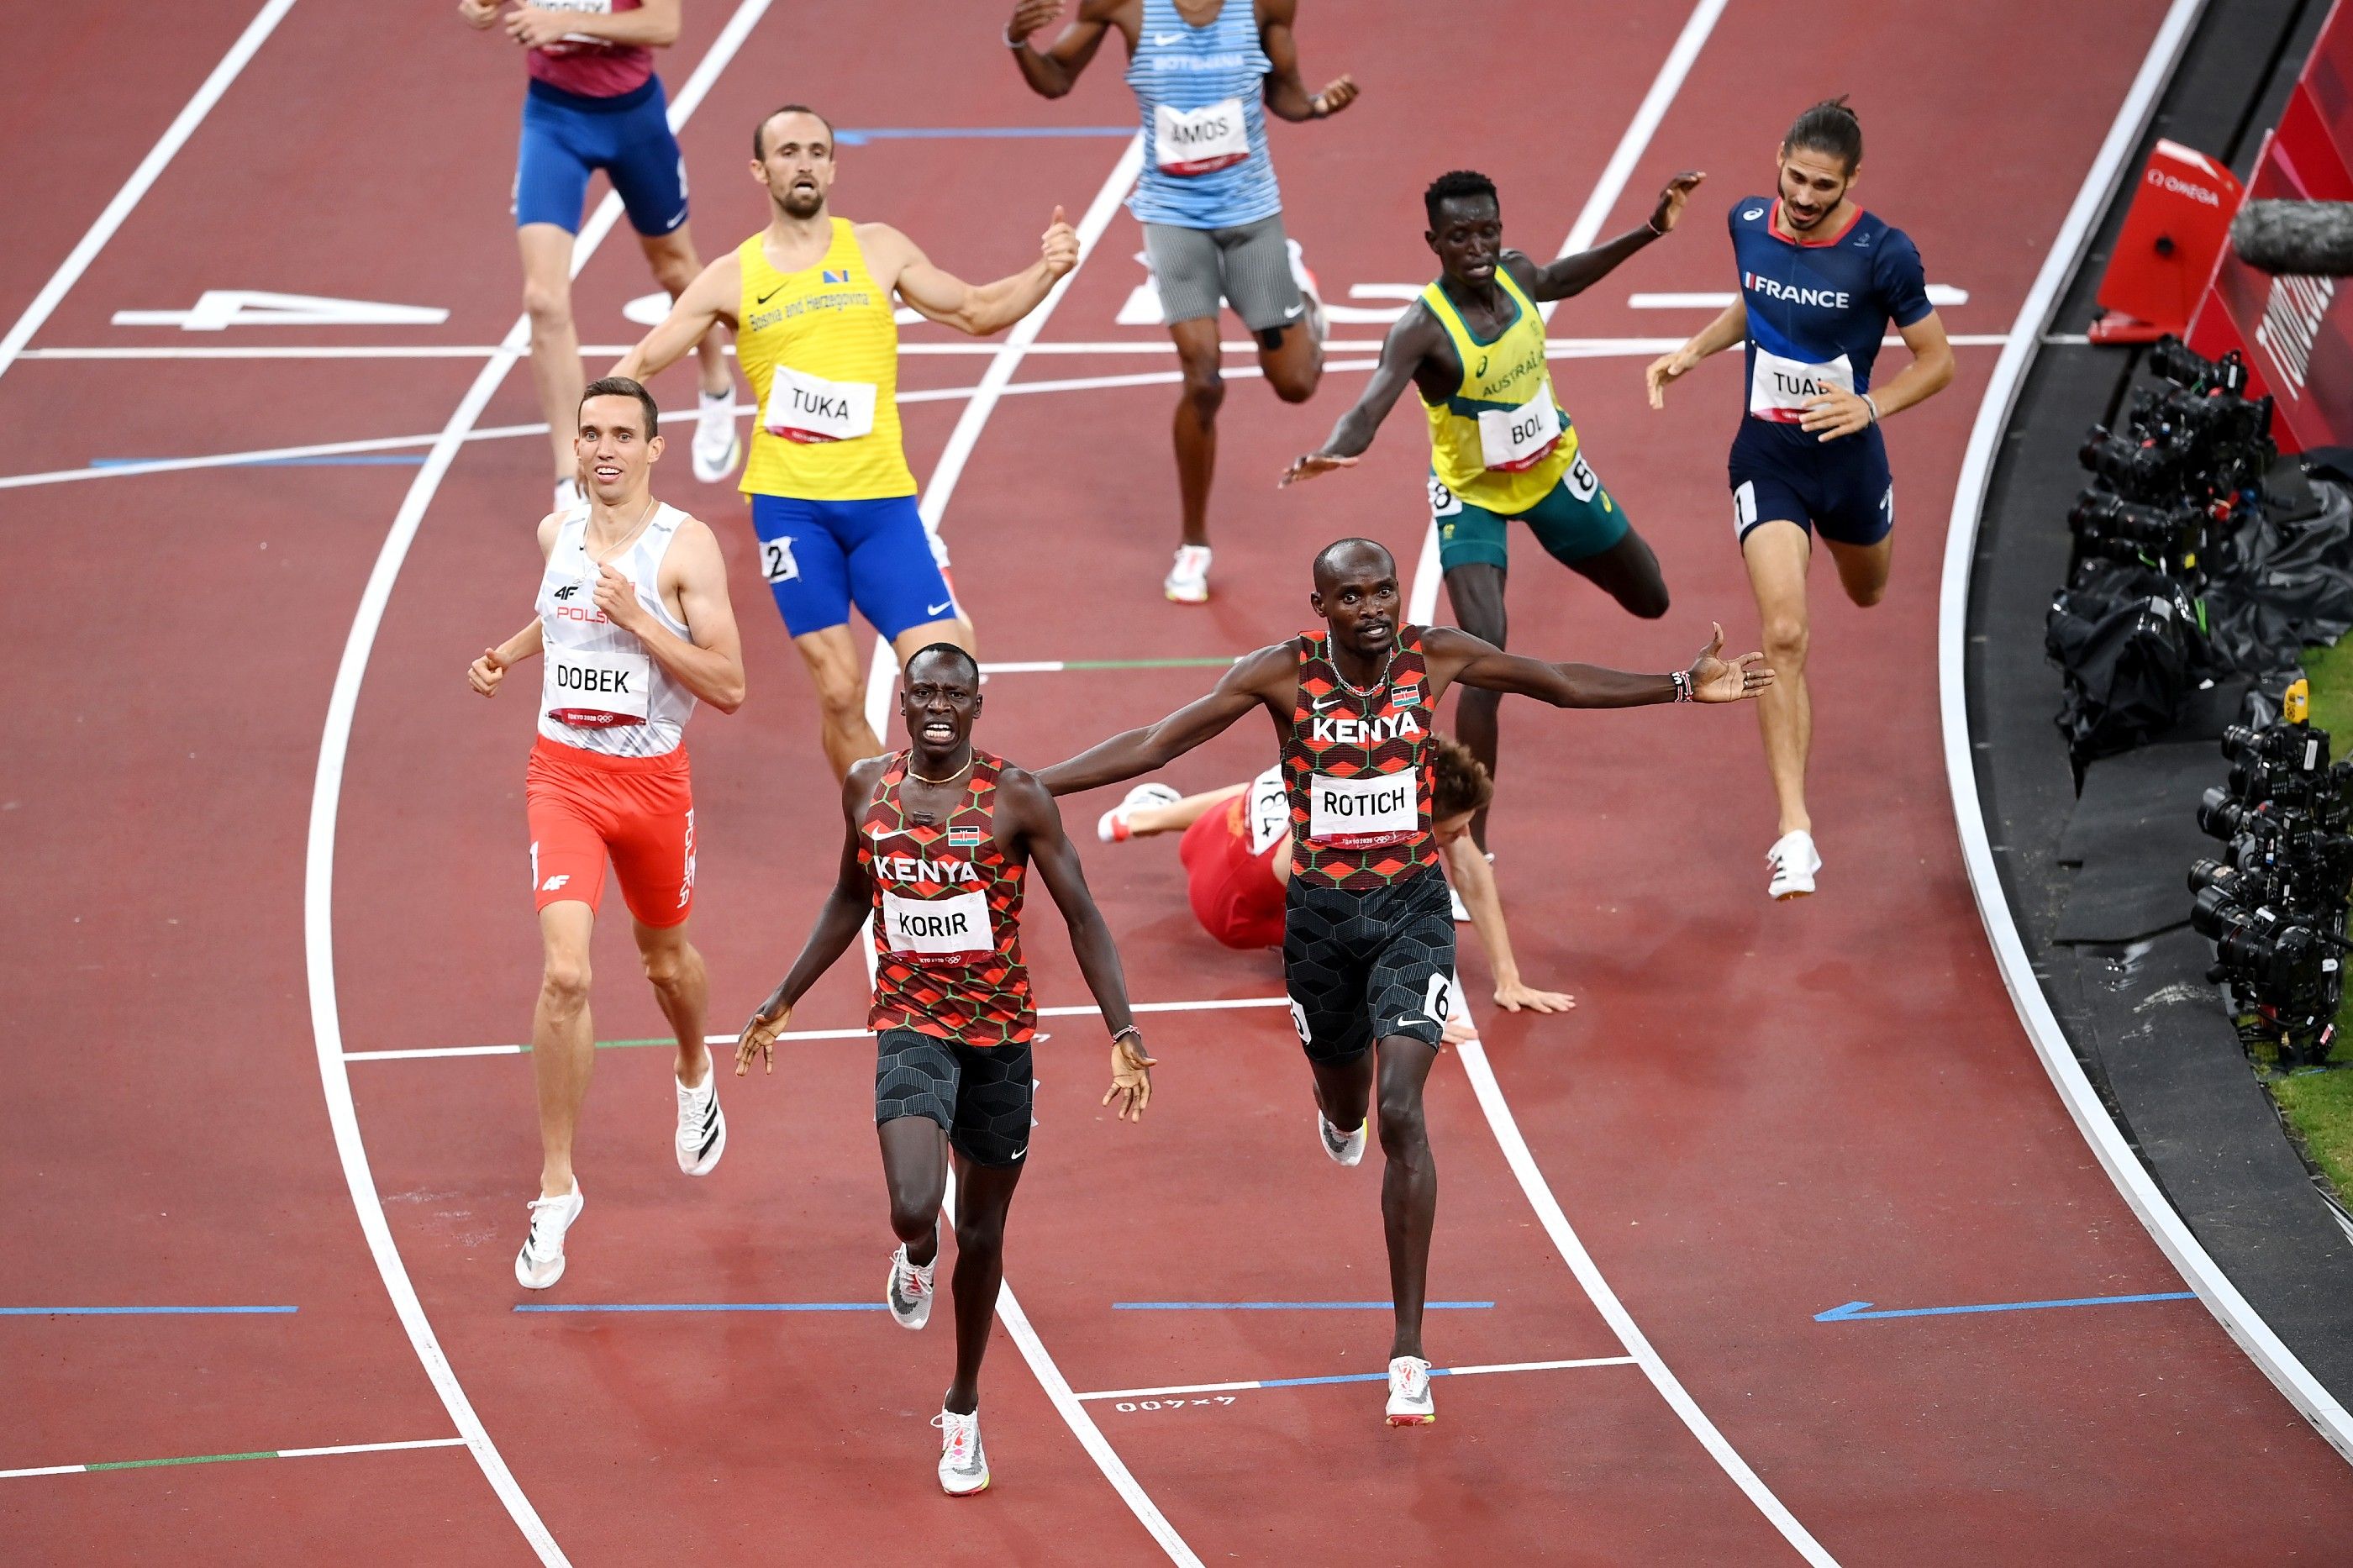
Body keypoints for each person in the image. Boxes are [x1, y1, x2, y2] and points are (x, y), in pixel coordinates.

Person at [1037, 538, 1766, 1424]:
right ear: (1321, 607)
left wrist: (1682, 687)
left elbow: (1557, 681)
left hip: (1412, 913)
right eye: (1354, 597)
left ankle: (1408, 1351)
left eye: (1384, 590)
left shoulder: (1438, 656)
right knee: (1348, 1104)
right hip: (1318, 925)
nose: (1375, 608)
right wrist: (1022, 786)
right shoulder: (1279, 674)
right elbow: (1155, 744)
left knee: (1403, 1112)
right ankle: (1334, 1110)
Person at [735, 643, 1155, 1496]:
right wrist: (781, 998)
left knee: (990, 1234)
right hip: (910, 1022)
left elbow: (1082, 916)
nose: (936, 706)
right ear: (903, 704)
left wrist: (1123, 1028)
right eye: (921, 692)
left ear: (976, 703)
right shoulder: (867, 788)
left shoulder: (1016, 798)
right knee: (914, 1204)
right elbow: (851, 897)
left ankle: (962, 1406)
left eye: (951, 694)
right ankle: (916, 1252)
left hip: (1000, 1035)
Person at [617, 105, 1081, 777]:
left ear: (832, 166)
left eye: (815, 151)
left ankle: (933, 815)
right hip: (790, 508)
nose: (802, 163)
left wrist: (1049, 270)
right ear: (760, 169)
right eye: (787, 152)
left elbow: (975, 310)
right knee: (837, 691)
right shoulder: (730, 276)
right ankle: (884, 845)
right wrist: (603, 447)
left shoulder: (877, 248)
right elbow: (641, 365)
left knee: (947, 678)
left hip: (882, 505)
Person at [1281, 166, 1703, 852]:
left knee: (1651, 596)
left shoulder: (1517, 274)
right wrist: (1331, 451)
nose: (1477, 247)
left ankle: (1567, 540)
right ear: (1434, 241)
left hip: (1553, 471)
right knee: (1485, 653)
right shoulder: (1422, 329)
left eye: (1487, 231)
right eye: (1459, 236)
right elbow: (1370, 405)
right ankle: (1471, 840)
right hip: (1471, 496)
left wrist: (1651, 229)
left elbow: (1565, 277)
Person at [466, 376, 748, 1290]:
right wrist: (509, 653)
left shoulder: (687, 548)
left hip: (654, 782)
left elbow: (730, 683)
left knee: (665, 963)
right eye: (590, 432)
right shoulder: (559, 532)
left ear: (654, 448)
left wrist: (642, 620)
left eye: (623, 433)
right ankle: (555, 1190)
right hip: (564, 778)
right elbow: (559, 613)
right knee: (567, 972)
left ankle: (694, 1067)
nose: (604, 448)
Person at [1645, 97, 1952, 899]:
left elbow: (1937, 360)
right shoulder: (1747, 221)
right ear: (1777, 156)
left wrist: (1872, 404)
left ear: (1852, 180)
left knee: (1869, 591)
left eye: (1824, 185)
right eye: (1796, 177)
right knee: (1783, 632)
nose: (1806, 197)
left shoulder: (1885, 254)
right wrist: (1693, 351)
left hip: (1848, 463)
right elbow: (1759, 301)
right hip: (1767, 457)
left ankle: (1865, 538)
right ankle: (1795, 832)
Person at [1003, 0, 1357, 603]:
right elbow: (1057, 79)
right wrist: (1018, 46)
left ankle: (1300, 297)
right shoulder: (1124, 7)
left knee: (1296, 384)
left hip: (1251, 216)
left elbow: (1286, 94)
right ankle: (1193, 545)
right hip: (1173, 217)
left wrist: (1320, 104)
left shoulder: (1266, 5)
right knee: (1203, 378)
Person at [457, 0, 740, 511]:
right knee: (543, 300)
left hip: (632, 119)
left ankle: (716, 380)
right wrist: (479, 10)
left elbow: (663, 25)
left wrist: (564, 24)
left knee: (674, 266)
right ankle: (572, 474)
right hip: (553, 119)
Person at [1096, 734, 1571, 1029]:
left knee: (1287, 782)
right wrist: (1399, 1007)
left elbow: (1469, 869)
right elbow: (1318, 911)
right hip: (1228, 911)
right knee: (1385, 913)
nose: (1462, 837)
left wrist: (1509, 979)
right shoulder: (1341, 845)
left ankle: (1142, 818)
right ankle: (1148, 817)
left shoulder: (1380, 761)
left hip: (1214, 831)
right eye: (1453, 829)